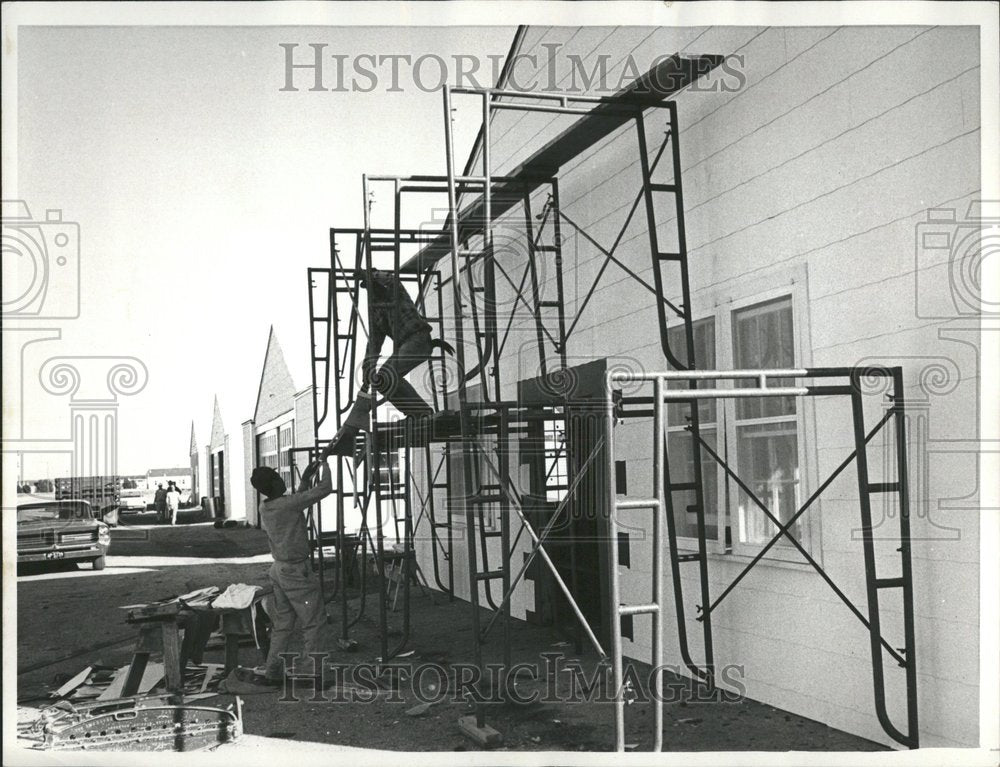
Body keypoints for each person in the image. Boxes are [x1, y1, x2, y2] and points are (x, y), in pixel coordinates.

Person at [324, 269, 452, 458]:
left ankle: (422, 412)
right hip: (408, 344)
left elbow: (390, 278)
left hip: (418, 339)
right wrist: (368, 371)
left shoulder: (394, 291)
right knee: (382, 380)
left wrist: (369, 274)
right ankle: (416, 413)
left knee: (387, 376)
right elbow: (374, 344)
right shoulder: (378, 313)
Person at [250, 459, 334, 685]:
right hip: (295, 572)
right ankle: (312, 673)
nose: (281, 480)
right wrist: (326, 464)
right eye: (277, 478)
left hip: (279, 570)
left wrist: (305, 479)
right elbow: (325, 488)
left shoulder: (267, 506)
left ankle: (273, 671)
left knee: (283, 624)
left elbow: (295, 500)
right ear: (273, 485)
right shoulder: (287, 505)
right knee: (314, 621)